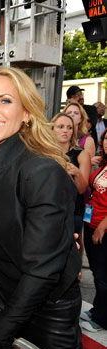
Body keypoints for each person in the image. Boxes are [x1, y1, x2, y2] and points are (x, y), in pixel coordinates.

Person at [0, 66, 83, 349]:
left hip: (45, 310)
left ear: (26, 113)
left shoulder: (40, 169)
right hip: (3, 294)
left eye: (6, 101)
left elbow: (42, 270)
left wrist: (2, 330)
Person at [80, 128, 107, 333]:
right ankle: (98, 309)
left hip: (102, 227)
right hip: (91, 223)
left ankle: (102, 319)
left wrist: (101, 226)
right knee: (99, 273)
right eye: (106, 139)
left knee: (103, 275)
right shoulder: (103, 164)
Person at [51, 112, 90, 234]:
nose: (65, 131)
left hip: (72, 212)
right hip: (49, 211)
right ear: (52, 129)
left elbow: (82, 189)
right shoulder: (45, 154)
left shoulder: (81, 154)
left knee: (73, 249)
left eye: (69, 128)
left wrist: (77, 173)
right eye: (60, 127)